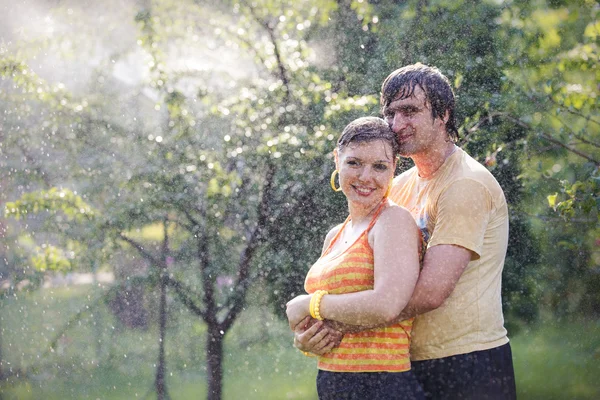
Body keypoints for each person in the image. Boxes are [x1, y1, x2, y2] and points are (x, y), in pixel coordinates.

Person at [295, 63, 517, 400]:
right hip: (405, 363)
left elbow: (429, 293)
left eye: (410, 111)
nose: (397, 124)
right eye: (390, 113)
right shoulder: (397, 186)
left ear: (442, 115)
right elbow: (363, 277)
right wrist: (312, 333)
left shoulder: (465, 184)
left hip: (467, 363)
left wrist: (327, 318)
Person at [286, 116, 425, 399]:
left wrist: (309, 304)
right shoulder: (335, 235)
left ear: (394, 169)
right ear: (337, 160)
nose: (365, 177)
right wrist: (306, 340)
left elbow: (386, 304)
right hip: (333, 382)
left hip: (381, 384)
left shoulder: (393, 220)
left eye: (379, 166)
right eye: (354, 163)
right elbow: (327, 319)